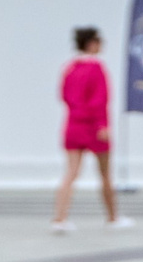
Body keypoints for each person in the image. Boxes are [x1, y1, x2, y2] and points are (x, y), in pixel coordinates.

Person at [51, 26, 129, 232]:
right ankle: (112, 217)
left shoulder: (70, 69)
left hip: (73, 124)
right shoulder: (96, 69)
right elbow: (100, 99)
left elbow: (64, 96)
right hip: (94, 127)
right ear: (92, 44)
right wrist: (102, 125)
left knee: (70, 173)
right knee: (105, 174)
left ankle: (59, 219)